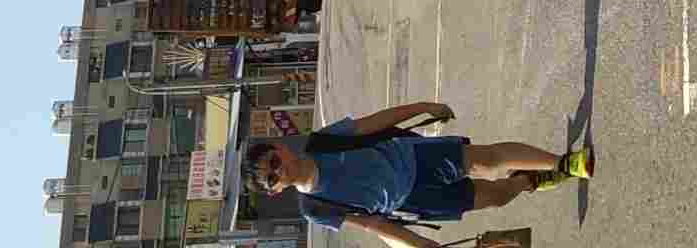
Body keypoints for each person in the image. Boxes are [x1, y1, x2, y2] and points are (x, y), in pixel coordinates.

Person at [245, 99, 592, 246]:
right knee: (497, 197)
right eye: (272, 178)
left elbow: (375, 122)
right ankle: (525, 181)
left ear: (280, 148)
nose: (279, 170)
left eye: (274, 161)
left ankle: (564, 163)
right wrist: (419, 244)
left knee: (489, 160)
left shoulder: (322, 141)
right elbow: (371, 224)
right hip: (413, 200)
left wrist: (424, 107)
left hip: (413, 156)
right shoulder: (313, 208)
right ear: (275, 190)